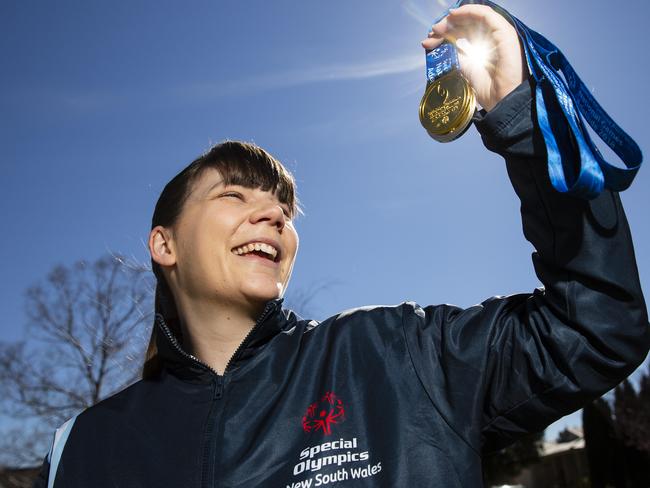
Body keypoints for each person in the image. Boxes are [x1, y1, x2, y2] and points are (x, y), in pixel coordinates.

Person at [35, 5, 649, 488]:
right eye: (234, 197)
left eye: (282, 207)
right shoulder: (81, 451)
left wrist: (523, 119)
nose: (272, 212)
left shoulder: (397, 360)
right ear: (163, 244)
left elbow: (595, 326)